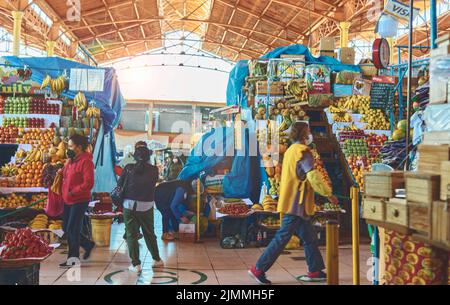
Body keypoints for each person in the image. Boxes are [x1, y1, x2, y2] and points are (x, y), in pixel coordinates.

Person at [248, 122, 339, 284]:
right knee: (282, 237)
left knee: (309, 236)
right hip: (297, 203)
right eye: (308, 131)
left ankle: (315, 270)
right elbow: (313, 176)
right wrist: (328, 194)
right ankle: (258, 269)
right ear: (304, 134)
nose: (310, 134)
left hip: (293, 201)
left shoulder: (290, 150)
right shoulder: (304, 152)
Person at [117, 146, 163, 274]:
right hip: (147, 205)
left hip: (129, 205)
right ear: (148, 157)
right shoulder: (154, 170)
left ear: (135, 156)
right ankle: (157, 259)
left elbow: (119, 185)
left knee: (131, 234)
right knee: (149, 233)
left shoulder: (128, 168)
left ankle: (136, 265)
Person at [59, 135, 96, 268]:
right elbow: (65, 174)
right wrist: (61, 170)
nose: (68, 149)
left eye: (70, 146)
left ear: (79, 147)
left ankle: (73, 259)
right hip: (68, 199)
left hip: (79, 200)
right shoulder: (71, 160)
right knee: (65, 227)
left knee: (72, 229)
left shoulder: (86, 162)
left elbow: (89, 183)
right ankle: (87, 244)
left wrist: (74, 191)